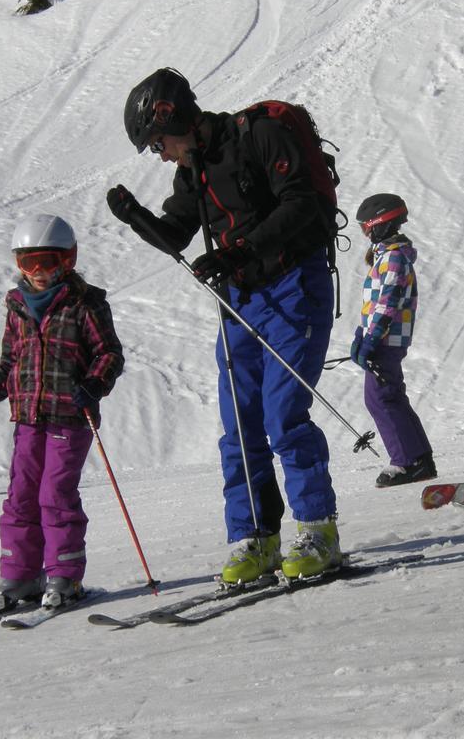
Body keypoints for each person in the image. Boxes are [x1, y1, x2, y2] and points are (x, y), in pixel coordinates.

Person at [106, 68, 340, 583]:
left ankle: (318, 530)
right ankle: (254, 538)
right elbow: (175, 235)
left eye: (157, 143)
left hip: (292, 287)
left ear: (174, 118)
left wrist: (240, 251)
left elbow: (301, 202)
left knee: (284, 415)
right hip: (240, 301)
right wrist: (135, 216)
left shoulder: (258, 135)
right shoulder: (194, 171)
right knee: (240, 423)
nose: (160, 154)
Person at [0, 214, 124, 612]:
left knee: (55, 494)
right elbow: (11, 361)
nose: (37, 273)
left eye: (46, 261)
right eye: (26, 263)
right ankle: (20, 575)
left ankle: (64, 574)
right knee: (20, 495)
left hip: (71, 414)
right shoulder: (17, 306)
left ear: (67, 260)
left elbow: (108, 354)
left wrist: (95, 383)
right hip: (28, 417)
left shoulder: (86, 303)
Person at [351, 193, 436, 487]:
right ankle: (420, 457)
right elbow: (375, 304)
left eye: (367, 228)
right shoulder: (389, 257)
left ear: (380, 225)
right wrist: (360, 335)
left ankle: (406, 461)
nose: (365, 234)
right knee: (392, 396)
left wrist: (372, 338)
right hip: (385, 338)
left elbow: (388, 302)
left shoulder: (394, 258)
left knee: (379, 399)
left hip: (386, 339)